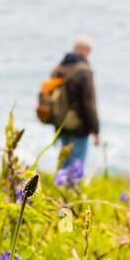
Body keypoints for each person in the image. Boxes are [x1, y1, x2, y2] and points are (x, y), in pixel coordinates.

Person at [48, 38, 100, 168]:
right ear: (86, 51)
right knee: (76, 163)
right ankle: (71, 187)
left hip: (60, 122)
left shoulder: (59, 69)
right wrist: (96, 130)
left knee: (64, 159)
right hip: (79, 125)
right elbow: (89, 104)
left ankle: (59, 185)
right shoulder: (84, 72)